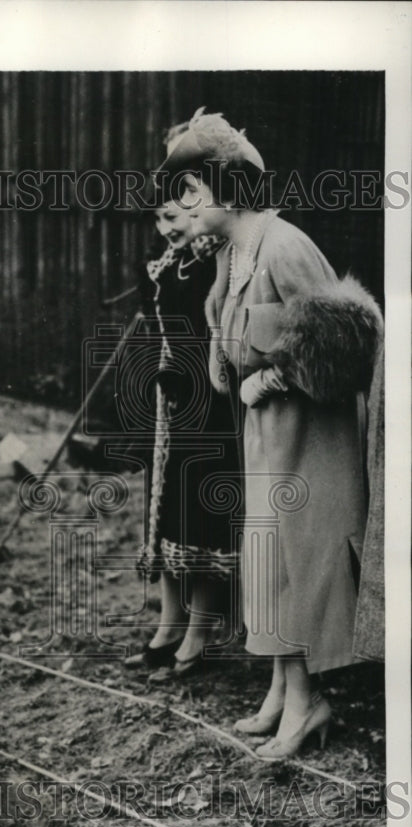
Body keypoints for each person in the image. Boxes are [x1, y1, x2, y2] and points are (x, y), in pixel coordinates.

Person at [158, 109, 382, 758]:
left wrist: (274, 380)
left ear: (226, 186)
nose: (183, 206)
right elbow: (235, 344)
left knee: (295, 562)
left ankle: (309, 703)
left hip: (309, 440)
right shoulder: (234, 252)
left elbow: (344, 340)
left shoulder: (285, 245)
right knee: (268, 565)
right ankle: (285, 690)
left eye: (192, 191)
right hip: (269, 439)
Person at [126, 122, 241, 682]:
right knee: (167, 512)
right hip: (173, 401)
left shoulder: (216, 254)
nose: (166, 228)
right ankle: (169, 624)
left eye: (174, 217)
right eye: (159, 218)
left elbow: (217, 333)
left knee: (200, 517)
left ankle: (200, 630)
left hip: (208, 401)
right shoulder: (175, 259)